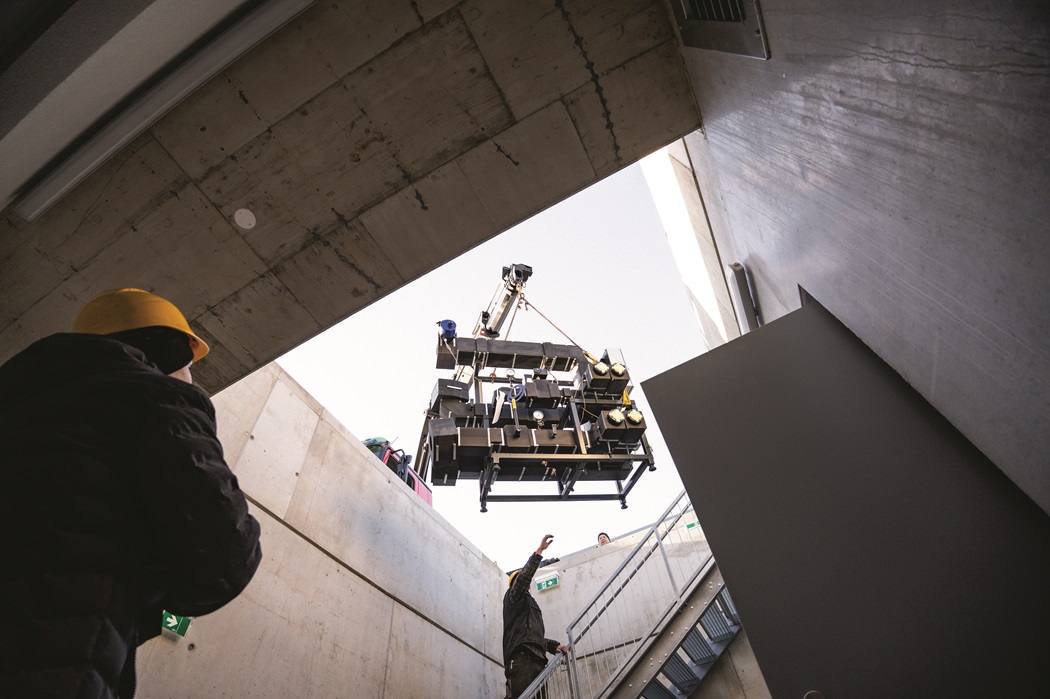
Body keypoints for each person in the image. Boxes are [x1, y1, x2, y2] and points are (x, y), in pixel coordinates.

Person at [0, 288, 263, 698]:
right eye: (187, 361)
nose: (191, 376)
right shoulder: (159, 400)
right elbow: (228, 555)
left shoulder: (16, 404)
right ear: (166, 349)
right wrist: (130, 605)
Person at [503, 534, 568, 698]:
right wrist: (539, 551)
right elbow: (524, 577)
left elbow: (533, 637)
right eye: (519, 579)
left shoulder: (530, 606)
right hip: (522, 657)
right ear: (514, 583)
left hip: (536, 659)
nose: (525, 581)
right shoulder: (513, 596)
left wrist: (553, 646)